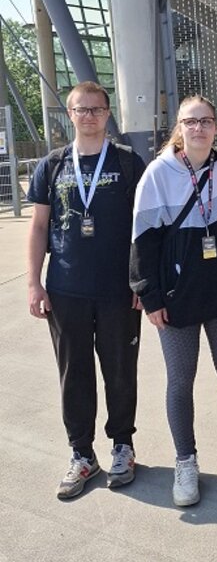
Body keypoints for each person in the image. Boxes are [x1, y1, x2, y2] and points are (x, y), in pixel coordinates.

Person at [130, 95, 217, 507]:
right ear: (180, 127)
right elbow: (142, 240)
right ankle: (186, 462)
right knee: (180, 380)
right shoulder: (157, 173)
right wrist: (149, 296)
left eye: (206, 121)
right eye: (191, 122)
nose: (199, 129)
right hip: (176, 298)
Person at [27, 81, 145, 499]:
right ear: (71, 115)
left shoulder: (130, 162)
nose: (90, 115)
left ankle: (122, 447)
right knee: (73, 374)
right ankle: (82, 454)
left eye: (97, 109)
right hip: (65, 290)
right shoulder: (52, 165)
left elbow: (145, 227)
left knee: (119, 371)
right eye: (82, 109)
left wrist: (142, 281)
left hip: (119, 290)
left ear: (108, 113)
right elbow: (39, 226)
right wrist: (34, 283)